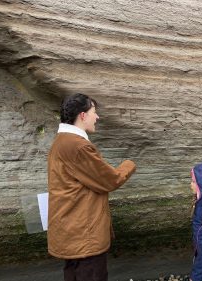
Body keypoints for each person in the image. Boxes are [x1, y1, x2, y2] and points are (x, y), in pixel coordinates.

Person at [47, 93, 136, 281]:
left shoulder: (62, 141)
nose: (97, 117)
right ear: (82, 115)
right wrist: (129, 164)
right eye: (94, 112)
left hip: (71, 231)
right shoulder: (77, 146)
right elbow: (110, 180)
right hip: (83, 235)